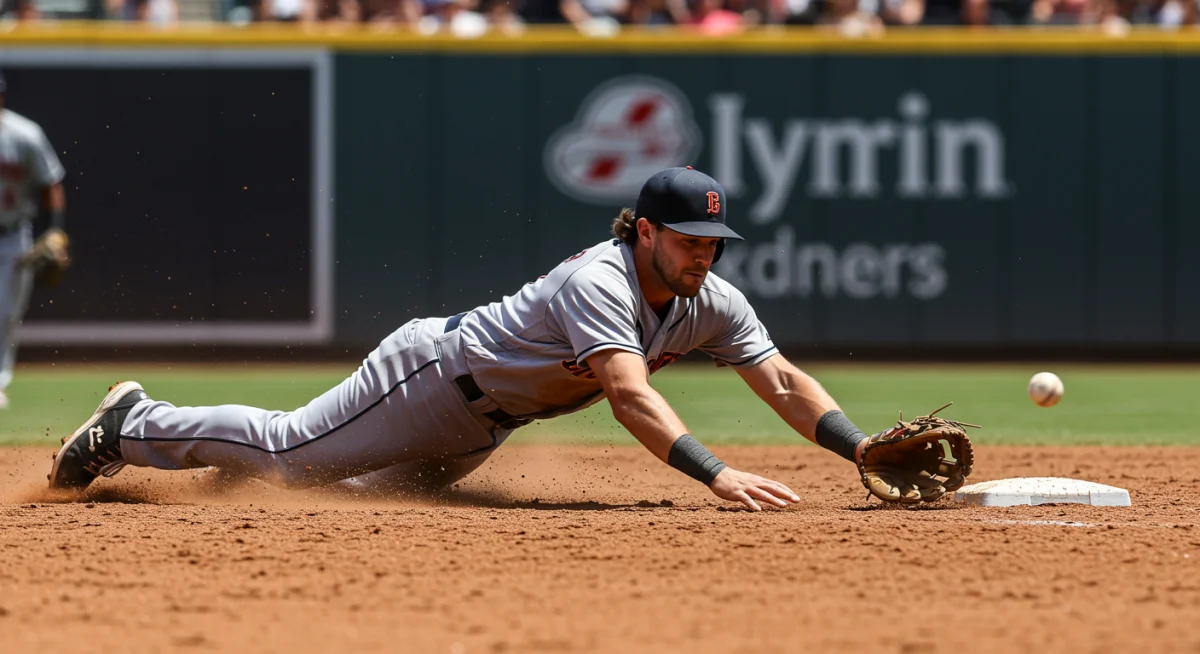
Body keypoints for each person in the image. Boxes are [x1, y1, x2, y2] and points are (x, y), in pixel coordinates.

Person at [49, 167, 894, 511]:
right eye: (685, 239)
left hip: (483, 424)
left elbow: (781, 379)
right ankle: (133, 421)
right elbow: (631, 394)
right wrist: (716, 472)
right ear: (641, 231)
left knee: (359, 499)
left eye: (711, 243)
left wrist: (857, 450)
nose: (701, 254)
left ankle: (202, 476)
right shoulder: (599, 279)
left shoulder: (708, 297)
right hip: (429, 377)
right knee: (291, 454)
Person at [0, 71, 68, 410]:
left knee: (6, 313)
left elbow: (51, 183)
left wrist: (55, 229)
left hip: (11, 235)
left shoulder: (24, 134)